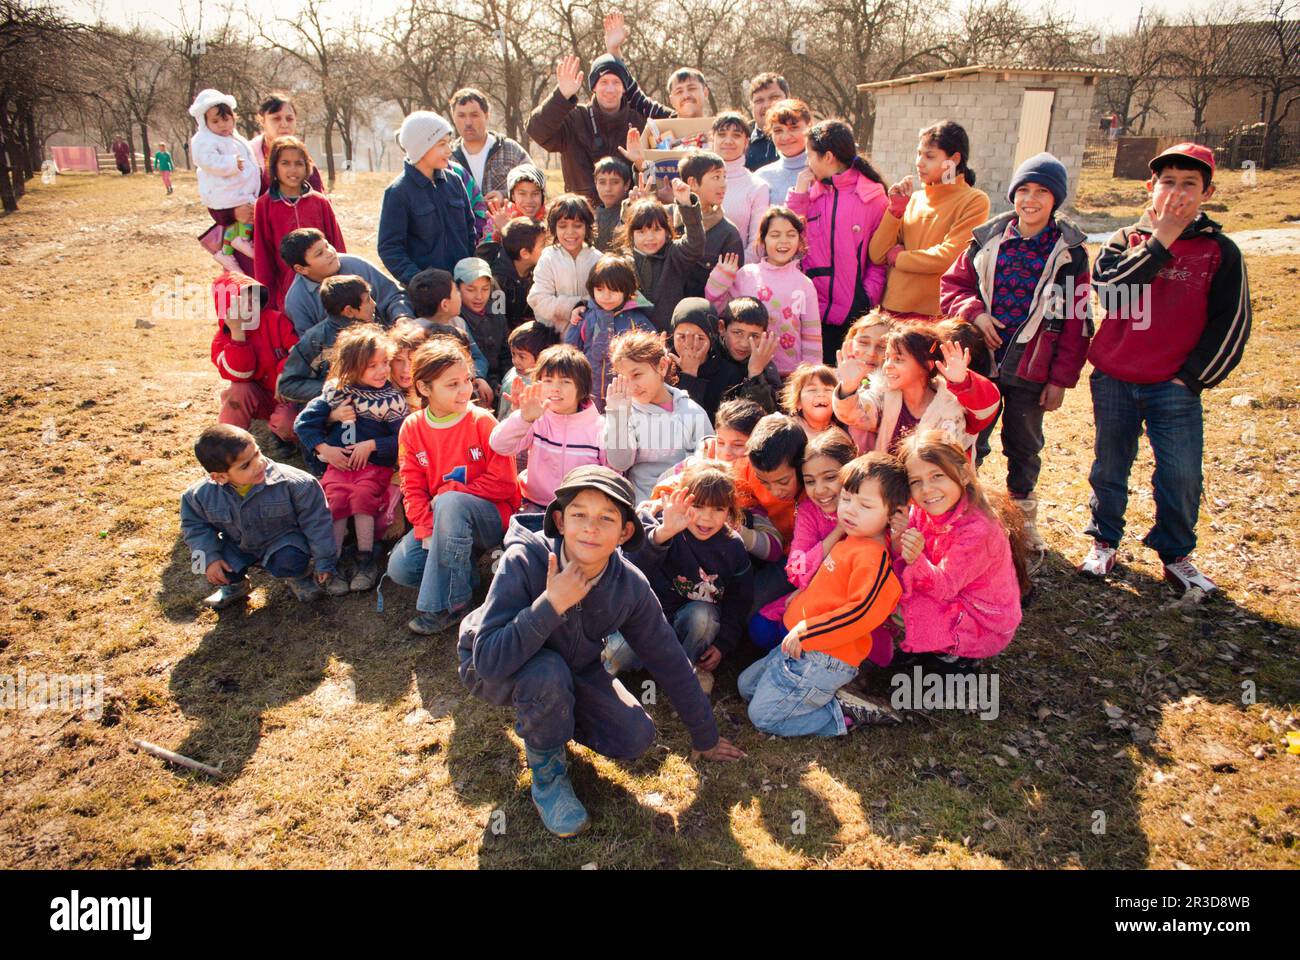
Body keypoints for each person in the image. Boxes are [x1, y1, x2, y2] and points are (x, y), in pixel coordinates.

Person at [457, 465, 745, 837]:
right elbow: (490, 661)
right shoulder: (525, 560)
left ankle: (551, 717)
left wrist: (705, 736)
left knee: (634, 736)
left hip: (575, 667)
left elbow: (669, 659)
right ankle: (548, 772)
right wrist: (551, 604)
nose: (590, 528)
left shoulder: (628, 585)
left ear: (625, 532)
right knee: (546, 674)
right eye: (579, 515)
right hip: (493, 664)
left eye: (606, 518)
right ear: (559, 522)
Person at [1078, 143, 1251, 595]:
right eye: (1168, 182)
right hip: (1116, 376)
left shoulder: (1220, 251)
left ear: (1207, 192)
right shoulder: (1123, 241)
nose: (1177, 193)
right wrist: (1161, 241)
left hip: (1174, 384)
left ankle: (1176, 553)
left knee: (1180, 472)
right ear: (1150, 187)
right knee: (1110, 464)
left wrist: (1191, 378)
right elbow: (1112, 294)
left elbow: (1231, 323)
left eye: (1189, 184)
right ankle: (1103, 540)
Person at [940, 152, 1093, 555]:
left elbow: (1077, 322)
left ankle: (1022, 520)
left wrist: (1060, 379)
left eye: (1042, 192)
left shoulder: (1069, 253)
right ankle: (969, 514)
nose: (1031, 199)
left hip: (1032, 366)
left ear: (1055, 199)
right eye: (1024, 190)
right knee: (973, 440)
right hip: (982, 365)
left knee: (1024, 444)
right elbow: (952, 286)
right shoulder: (987, 239)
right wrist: (976, 314)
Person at [738, 452, 907, 735]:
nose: (850, 510)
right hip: (800, 650)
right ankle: (822, 697)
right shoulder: (850, 541)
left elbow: (859, 612)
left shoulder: (873, 558)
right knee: (746, 686)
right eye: (847, 499)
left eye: (864, 505)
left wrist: (807, 630)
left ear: (892, 514)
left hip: (825, 658)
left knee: (763, 716)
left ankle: (842, 714)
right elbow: (829, 587)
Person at [384, 338, 519, 635]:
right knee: (401, 568)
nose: (464, 390)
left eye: (466, 380)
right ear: (423, 388)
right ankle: (464, 575)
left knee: (450, 501)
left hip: (492, 518)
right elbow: (412, 485)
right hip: (444, 521)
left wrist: (452, 494)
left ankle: (451, 606)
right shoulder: (412, 427)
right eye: (452, 384)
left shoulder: (482, 422)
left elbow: (504, 483)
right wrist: (427, 528)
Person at [611, 465, 753, 692]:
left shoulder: (733, 546)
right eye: (697, 506)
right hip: (648, 622)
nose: (706, 518)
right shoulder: (659, 521)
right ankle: (604, 674)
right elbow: (628, 569)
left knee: (702, 616)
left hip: (690, 624)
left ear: (730, 510)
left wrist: (723, 644)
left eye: (718, 509)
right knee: (619, 652)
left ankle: (686, 669)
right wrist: (664, 533)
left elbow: (739, 600)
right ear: (681, 500)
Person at [895, 430, 1027, 670]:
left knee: (898, 605)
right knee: (887, 590)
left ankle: (959, 655)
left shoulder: (978, 529)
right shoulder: (922, 511)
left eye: (937, 476)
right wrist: (898, 535)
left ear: (964, 474)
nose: (926, 489)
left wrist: (915, 559)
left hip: (981, 621)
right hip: (950, 595)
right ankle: (931, 642)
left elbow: (943, 587)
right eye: (916, 481)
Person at [293, 324, 409, 593]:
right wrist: (324, 449)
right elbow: (304, 424)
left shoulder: (391, 400)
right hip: (338, 464)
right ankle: (329, 562)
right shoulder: (337, 392)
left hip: (372, 468)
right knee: (332, 500)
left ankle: (365, 558)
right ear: (352, 367)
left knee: (362, 497)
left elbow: (401, 438)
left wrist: (372, 445)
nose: (382, 371)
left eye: (384, 363)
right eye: (372, 366)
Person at [180, 425, 338, 608]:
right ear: (220, 477)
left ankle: (300, 577)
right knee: (212, 564)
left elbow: (317, 523)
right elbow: (194, 527)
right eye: (245, 465)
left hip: (283, 543)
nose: (259, 464)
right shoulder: (197, 497)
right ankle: (233, 586)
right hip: (238, 545)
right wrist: (208, 558)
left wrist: (324, 560)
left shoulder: (297, 484)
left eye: (257, 453)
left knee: (290, 560)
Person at [525, 15, 672, 203]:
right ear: (593, 87)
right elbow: (537, 131)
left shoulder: (640, 122)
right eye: (603, 82)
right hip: (582, 217)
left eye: (616, 82)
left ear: (625, 88)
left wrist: (641, 165)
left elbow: (658, 165)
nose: (610, 89)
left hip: (630, 216)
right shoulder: (574, 118)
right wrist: (561, 96)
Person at [786, 119, 888, 362]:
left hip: (853, 314)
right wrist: (799, 193)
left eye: (810, 155)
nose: (807, 163)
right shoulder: (811, 192)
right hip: (810, 310)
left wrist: (866, 297)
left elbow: (881, 256)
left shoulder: (871, 197)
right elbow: (787, 233)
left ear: (828, 157)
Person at [749, 429, 859, 651]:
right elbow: (796, 571)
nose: (819, 490)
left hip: (852, 597)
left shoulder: (867, 505)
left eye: (830, 477)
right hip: (812, 585)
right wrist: (838, 531)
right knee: (760, 629)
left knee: (791, 631)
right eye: (810, 481)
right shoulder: (809, 509)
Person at [870, 120, 991, 318]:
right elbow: (877, 254)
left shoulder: (974, 200)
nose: (919, 162)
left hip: (933, 315)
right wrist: (895, 211)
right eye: (919, 154)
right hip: (890, 311)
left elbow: (948, 257)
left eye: (929, 156)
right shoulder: (914, 198)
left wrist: (898, 258)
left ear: (954, 160)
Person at [834, 322, 1000, 456]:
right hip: (892, 489)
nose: (887, 366)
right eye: (887, 358)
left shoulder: (952, 404)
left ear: (927, 366)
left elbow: (987, 410)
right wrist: (848, 387)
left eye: (898, 359)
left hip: (942, 491)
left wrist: (963, 381)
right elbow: (853, 415)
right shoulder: (883, 396)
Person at [490, 344, 606, 511]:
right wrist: (523, 418)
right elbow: (499, 445)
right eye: (548, 381)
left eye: (565, 381)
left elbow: (614, 470)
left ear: (582, 388)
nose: (555, 389)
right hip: (534, 504)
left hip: (581, 510)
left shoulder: (599, 427)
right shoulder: (536, 419)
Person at [706, 208, 820, 376]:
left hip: (790, 376)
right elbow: (718, 312)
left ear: (799, 240)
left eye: (791, 234)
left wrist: (811, 377)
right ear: (763, 239)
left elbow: (812, 337)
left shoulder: (805, 284)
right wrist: (719, 281)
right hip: (745, 370)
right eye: (775, 235)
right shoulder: (747, 275)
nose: (784, 241)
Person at [603, 328, 713, 502]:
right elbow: (620, 462)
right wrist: (617, 416)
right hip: (641, 507)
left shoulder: (693, 412)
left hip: (685, 503)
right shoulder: (626, 412)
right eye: (624, 377)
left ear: (662, 366)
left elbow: (707, 467)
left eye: (637, 374)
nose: (631, 386)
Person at [378, 110, 477, 285]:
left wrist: (467, 270)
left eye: (448, 143)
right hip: (428, 296)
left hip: (463, 285)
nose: (449, 150)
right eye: (441, 144)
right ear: (420, 148)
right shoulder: (398, 192)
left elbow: (470, 229)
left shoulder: (454, 181)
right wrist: (421, 282)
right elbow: (390, 249)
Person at [253, 136, 347, 310]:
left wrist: (344, 283)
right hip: (287, 290)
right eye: (285, 163)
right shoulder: (264, 205)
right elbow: (263, 256)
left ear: (307, 167)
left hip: (325, 286)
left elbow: (338, 245)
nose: (293, 169)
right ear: (274, 166)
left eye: (298, 163)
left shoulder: (320, 202)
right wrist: (268, 299)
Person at [211, 271, 300, 450]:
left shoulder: (276, 320)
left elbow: (298, 351)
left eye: (253, 300)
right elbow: (240, 375)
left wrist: (284, 372)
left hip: (287, 393)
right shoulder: (223, 340)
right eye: (241, 303)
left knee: (288, 424)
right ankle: (228, 443)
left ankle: (285, 439)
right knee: (238, 390)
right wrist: (238, 334)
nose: (250, 306)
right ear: (226, 309)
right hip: (257, 397)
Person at [281, 228, 412, 337]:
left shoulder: (356, 265)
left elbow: (394, 296)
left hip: (390, 340)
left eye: (327, 245)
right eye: (320, 253)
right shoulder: (297, 301)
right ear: (301, 269)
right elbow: (311, 345)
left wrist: (401, 318)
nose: (330, 253)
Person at [616, 178, 705, 331]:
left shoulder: (674, 254)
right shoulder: (625, 262)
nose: (650, 238)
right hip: (636, 340)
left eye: (657, 230)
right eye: (641, 232)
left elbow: (695, 243)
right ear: (631, 234)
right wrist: (632, 206)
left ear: (667, 231)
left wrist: (685, 204)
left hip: (672, 337)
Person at [564, 254, 652, 410]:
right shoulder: (585, 317)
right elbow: (569, 351)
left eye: (613, 290)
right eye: (600, 289)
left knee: (618, 429)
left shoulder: (636, 320)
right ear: (592, 290)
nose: (606, 296)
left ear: (627, 291)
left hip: (625, 393)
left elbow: (651, 354)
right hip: (588, 391)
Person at [189, 89, 262, 272]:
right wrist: (231, 163)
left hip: (239, 191)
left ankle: (229, 248)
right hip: (225, 192)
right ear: (204, 123)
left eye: (226, 119)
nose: (222, 125)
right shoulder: (205, 140)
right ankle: (239, 243)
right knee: (241, 219)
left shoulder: (236, 138)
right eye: (215, 121)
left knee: (242, 219)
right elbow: (206, 160)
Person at [277, 275, 376, 406]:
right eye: (368, 300)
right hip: (336, 411)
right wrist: (337, 390)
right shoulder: (316, 340)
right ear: (349, 311)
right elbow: (289, 385)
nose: (374, 303)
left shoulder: (374, 325)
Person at [406, 267, 493, 403]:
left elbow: (477, 357)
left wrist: (477, 377)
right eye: (456, 292)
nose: (459, 295)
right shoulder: (414, 334)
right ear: (445, 305)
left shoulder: (458, 323)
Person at [528, 194, 603, 332]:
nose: (570, 232)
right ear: (554, 228)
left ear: (587, 227)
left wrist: (585, 309)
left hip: (590, 335)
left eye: (577, 225)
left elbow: (604, 300)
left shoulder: (597, 260)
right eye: (563, 226)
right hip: (554, 337)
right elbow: (538, 300)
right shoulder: (548, 259)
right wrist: (577, 304)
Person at [676, 150, 744, 299]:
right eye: (716, 177)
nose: (723, 185)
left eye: (724, 177)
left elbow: (735, 289)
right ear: (692, 183)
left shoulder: (728, 234)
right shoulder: (667, 221)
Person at [448, 87, 531, 200]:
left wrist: (505, 195)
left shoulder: (509, 149)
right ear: (453, 117)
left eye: (474, 115)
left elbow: (537, 185)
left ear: (487, 115)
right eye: (461, 116)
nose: (468, 122)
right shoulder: (447, 157)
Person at [711, 113, 769, 263]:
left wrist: (730, 273)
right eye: (722, 134)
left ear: (746, 142)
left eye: (736, 135)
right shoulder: (696, 180)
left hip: (738, 277)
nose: (728, 141)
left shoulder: (757, 186)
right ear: (713, 139)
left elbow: (757, 246)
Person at [476, 217, 548, 333]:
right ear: (525, 253)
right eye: (543, 245)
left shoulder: (536, 270)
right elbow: (497, 322)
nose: (548, 249)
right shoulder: (497, 282)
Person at [249, 93, 324, 194]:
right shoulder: (248, 154)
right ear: (262, 121)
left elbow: (319, 201)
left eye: (289, 119)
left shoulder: (303, 157)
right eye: (276, 118)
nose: (284, 124)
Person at [456, 256, 510, 394]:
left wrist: (504, 381)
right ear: (457, 288)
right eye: (471, 289)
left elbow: (505, 355)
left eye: (485, 289)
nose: (479, 296)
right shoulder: (456, 321)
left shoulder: (497, 315)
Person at [497, 320, 561, 421]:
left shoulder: (541, 386)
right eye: (513, 354)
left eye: (522, 356)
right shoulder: (512, 372)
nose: (515, 361)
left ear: (540, 357)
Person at [754, 98, 811, 207]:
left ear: (809, 127)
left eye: (794, 128)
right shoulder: (761, 177)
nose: (785, 137)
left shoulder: (824, 172)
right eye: (778, 131)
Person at [783, 363, 849, 440]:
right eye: (812, 390)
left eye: (828, 390)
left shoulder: (841, 437)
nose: (821, 394)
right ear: (798, 402)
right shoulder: (787, 431)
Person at [746, 72, 789, 171]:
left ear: (788, 98)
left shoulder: (805, 140)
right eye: (759, 100)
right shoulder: (740, 144)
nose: (767, 105)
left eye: (774, 97)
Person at [592, 156, 634, 252]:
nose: (608, 188)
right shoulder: (592, 216)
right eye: (602, 182)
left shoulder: (631, 213)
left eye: (615, 182)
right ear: (596, 184)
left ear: (626, 184)